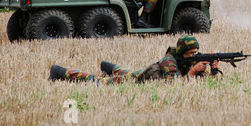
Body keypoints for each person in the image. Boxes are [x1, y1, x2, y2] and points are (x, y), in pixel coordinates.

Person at [48, 35, 220, 85]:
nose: (193, 56)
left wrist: (212, 71)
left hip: (142, 74)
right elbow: (173, 85)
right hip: (136, 80)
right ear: (182, 53)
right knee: (97, 81)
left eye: (195, 53)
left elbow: (201, 81)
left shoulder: (187, 60)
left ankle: (107, 66)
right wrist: (192, 71)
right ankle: (59, 71)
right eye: (190, 54)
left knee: (127, 70)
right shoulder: (169, 60)